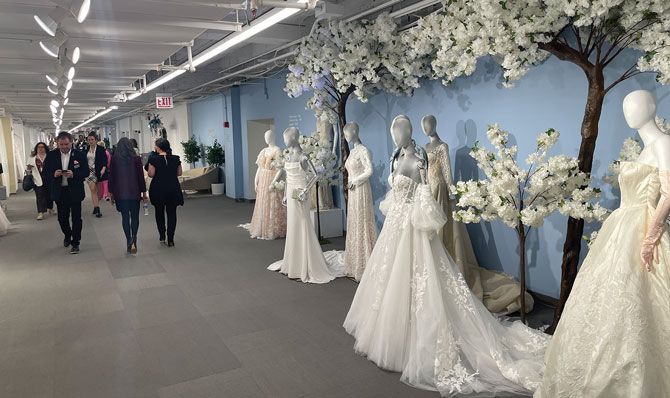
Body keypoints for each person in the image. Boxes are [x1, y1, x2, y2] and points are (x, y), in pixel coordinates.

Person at [343, 116, 548, 397]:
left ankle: (419, 337)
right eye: (393, 130)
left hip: (412, 228)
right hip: (395, 228)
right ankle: (395, 332)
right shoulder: (396, 159)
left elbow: (425, 198)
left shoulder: (418, 163)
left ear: (407, 132)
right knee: (390, 279)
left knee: (420, 279)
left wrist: (417, 218)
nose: (394, 135)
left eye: (398, 130)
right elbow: (395, 194)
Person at [43, 131, 89, 254]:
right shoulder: (51, 156)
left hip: (75, 191)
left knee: (76, 218)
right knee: (62, 218)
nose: (64, 147)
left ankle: (76, 242)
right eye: (61, 144)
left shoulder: (79, 155)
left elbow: (86, 172)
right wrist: (54, 174)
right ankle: (68, 234)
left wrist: (74, 174)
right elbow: (45, 173)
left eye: (66, 144)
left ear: (71, 142)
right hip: (60, 191)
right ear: (57, 143)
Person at [109, 137, 148, 254]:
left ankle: (128, 240)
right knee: (135, 217)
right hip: (134, 192)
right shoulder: (136, 159)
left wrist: (111, 192)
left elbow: (112, 177)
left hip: (120, 194)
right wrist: (144, 192)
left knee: (125, 218)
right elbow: (141, 177)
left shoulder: (114, 160)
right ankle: (134, 238)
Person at [147, 138, 183, 246]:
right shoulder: (176, 158)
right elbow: (180, 173)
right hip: (173, 188)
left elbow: (151, 174)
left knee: (159, 213)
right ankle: (171, 239)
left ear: (158, 147)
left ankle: (162, 236)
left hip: (158, 189)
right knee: (172, 213)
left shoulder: (154, 159)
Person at [26, 142, 54, 220]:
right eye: (39, 147)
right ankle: (40, 212)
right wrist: (28, 173)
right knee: (39, 195)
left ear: (45, 148)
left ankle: (50, 208)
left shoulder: (49, 156)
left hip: (48, 178)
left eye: (42, 147)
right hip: (37, 178)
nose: (41, 149)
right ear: (36, 149)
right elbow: (28, 168)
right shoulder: (32, 157)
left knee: (49, 194)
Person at [84, 132, 108, 217]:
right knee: (93, 189)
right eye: (89, 140)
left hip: (98, 171)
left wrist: (103, 169)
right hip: (89, 172)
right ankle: (97, 209)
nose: (90, 141)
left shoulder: (101, 149)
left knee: (97, 191)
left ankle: (95, 206)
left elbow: (105, 160)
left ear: (96, 140)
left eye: (92, 139)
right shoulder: (86, 149)